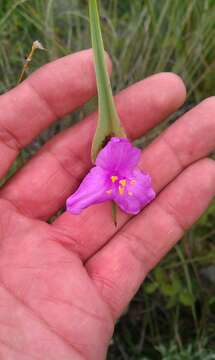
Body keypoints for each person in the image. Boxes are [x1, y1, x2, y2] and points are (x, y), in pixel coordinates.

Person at [0, 49, 214, 360]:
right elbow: (80, 200)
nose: (119, 186)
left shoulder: (125, 174)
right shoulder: (104, 177)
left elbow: (133, 185)